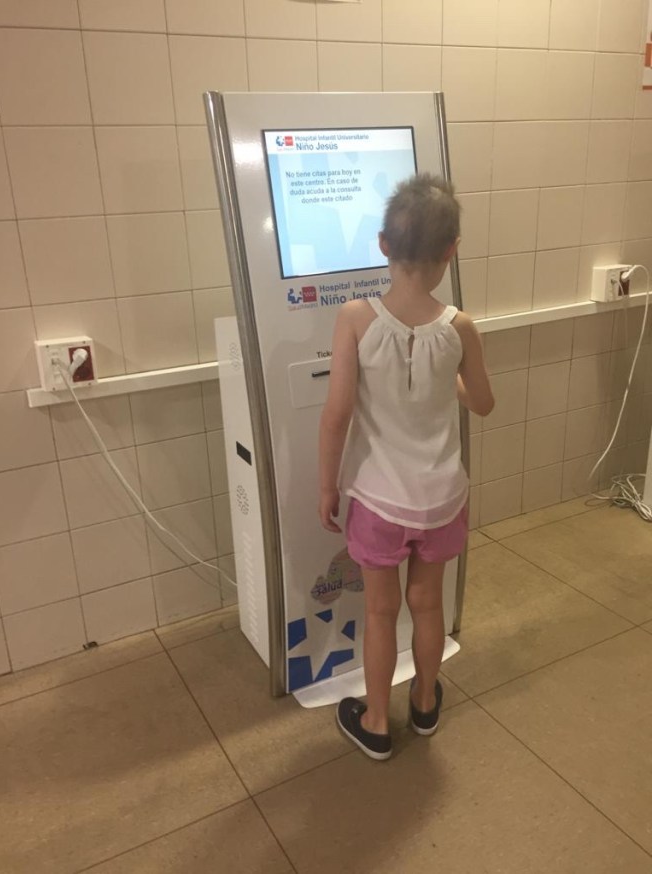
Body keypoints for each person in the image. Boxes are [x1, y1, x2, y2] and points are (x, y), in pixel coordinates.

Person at [318, 173, 494, 760]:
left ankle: (375, 722)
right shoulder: (460, 327)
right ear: (451, 250)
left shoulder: (356, 319)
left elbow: (337, 415)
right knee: (428, 605)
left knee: (379, 611)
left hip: (378, 499)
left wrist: (327, 486)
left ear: (383, 244)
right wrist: (449, 386)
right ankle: (422, 703)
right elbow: (483, 402)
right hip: (442, 498)